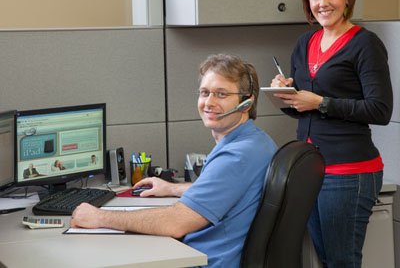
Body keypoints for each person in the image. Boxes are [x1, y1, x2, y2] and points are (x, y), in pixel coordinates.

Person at [71, 53, 277, 267]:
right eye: (205, 92)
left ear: (246, 103)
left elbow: (176, 223)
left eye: (221, 94)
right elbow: (229, 192)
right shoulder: (257, 142)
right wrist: (173, 188)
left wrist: (100, 217)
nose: (209, 102)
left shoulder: (235, 157)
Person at [270, 0, 393, 267]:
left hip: (350, 170)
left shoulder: (365, 44)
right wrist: (284, 98)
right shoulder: (304, 43)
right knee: (326, 260)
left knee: (341, 261)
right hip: (309, 168)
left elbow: (380, 109)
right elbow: (305, 111)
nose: (322, 3)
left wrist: (321, 102)